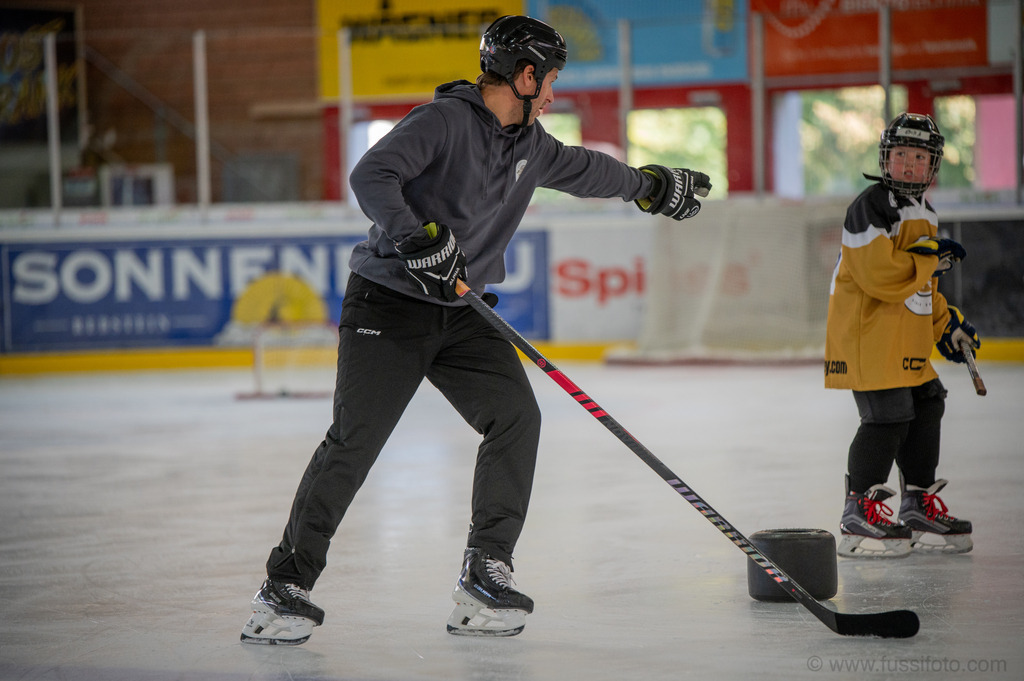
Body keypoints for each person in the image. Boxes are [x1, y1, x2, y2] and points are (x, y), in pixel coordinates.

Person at [240, 14, 712, 644]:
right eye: (547, 82)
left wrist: (648, 185)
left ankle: (483, 575)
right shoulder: (443, 122)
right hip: (388, 305)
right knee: (355, 440)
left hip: (463, 312)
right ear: (523, 76)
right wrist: (417, 240)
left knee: (516, 416)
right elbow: (370, 175)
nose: (551, 95)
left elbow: (585, 169)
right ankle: (283, 589)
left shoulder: (531, 145)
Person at [824, 112, 979, 559]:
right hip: (866, 337)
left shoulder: (926, 213)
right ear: (884, 159)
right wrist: (931, 260)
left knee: (928, 400)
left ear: (933, 165)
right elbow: (879, 276)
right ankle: (858, 512)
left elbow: (921, 291)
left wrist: (946, 324)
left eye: (918, 157)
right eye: (900, 155)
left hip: (902, 340)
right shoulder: (871, 205)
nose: (909, 165)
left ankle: (915, 503)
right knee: (888, 415)